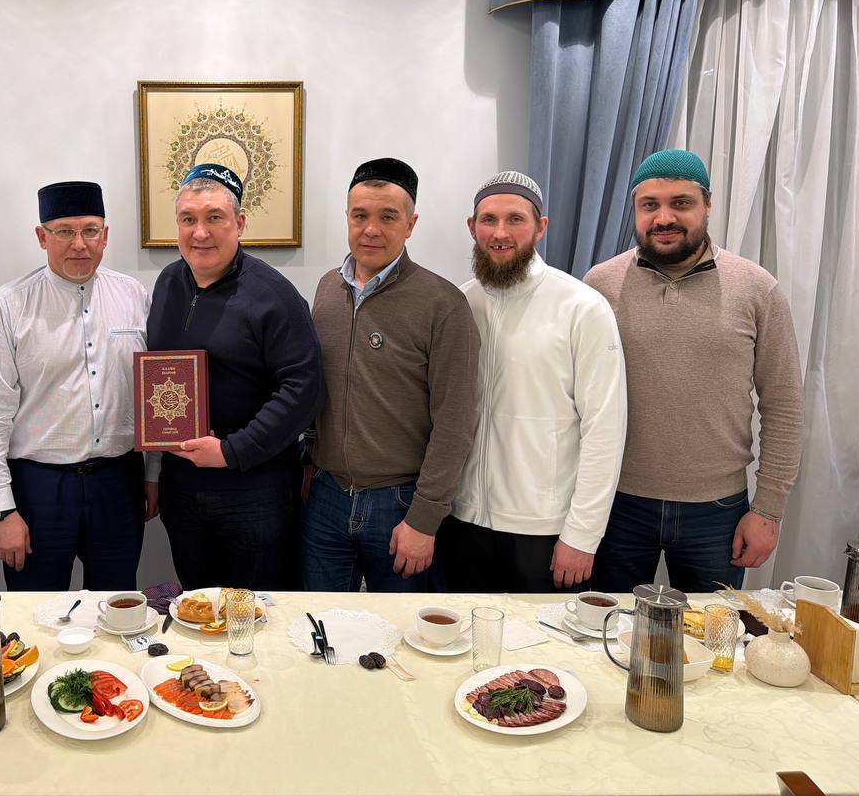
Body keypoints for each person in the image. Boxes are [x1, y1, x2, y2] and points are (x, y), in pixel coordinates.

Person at [585, 149, 804, 592]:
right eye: (649, 205)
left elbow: (783, 405)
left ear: (707, 205)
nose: (664, 217)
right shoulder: (599, 285)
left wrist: (768, 511)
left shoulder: (756, 289)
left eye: (681, 203)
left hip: (717, 511)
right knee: (606, 627)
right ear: (635, 210)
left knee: (715, 632)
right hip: (615, 504)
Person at [0, 181, 153, 591]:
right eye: (64, 231)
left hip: (118, 482)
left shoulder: (133, 296)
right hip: (38, 489)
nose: (79, 244)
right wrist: (0, 510)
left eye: (90, 230)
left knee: (118, 604)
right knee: (36, 609)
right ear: (42, 236)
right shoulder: (8, 305)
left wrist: (153, 474)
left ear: (105, 235)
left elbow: (152, 395)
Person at [443, 171, 626, 592]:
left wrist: (582, 535)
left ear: (540, 227)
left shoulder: (582, 308)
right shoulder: (459, 303)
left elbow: (605, 429)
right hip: (463, 522)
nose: (500, 233)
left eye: (515, 219)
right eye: (488, 220)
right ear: (472, 227)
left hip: (545, 531)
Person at [304, 158, 479, 592]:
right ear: (347, 217)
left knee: (402, 630)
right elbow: (315, 390)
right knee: (319, 624)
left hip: (400, 504)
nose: (371, 230)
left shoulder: (443, 304)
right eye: (360, 216)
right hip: (326, 498)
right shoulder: (327, 290)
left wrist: (425, 518)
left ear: (410, 224)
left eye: (388, 217)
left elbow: (455, 423)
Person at [147, 163, 324, 591]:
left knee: (257, 611)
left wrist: (231, 451)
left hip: (254, 489)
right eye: (188, 219)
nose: (200, 233)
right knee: (197, 604)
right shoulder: (168, 283)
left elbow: (303, 389)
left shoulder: (274, 295)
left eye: (214, 218)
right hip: (183, 485)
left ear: (239, 223)